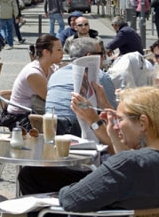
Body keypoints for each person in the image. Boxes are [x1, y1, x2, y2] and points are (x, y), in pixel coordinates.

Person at [18, 86, 159, 213]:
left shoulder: (130, 162)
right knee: (32, 174)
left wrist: (71, 189)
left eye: (120, 119)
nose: (116, 125)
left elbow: (71, 200)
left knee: (33, 178)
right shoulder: (140, 162)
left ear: (142, 123)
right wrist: (113, 136)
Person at [44, 36, 116, 135]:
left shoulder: (56, 75)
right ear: (90, 57)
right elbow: (113, 114)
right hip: (81, 133)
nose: (104, 58)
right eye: (101, 54)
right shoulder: (101, 77)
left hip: (50, 129)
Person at [2, 34, 63, 130]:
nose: (63, 53)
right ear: (46, 52)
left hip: (36, 113)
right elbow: (50, 99)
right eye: (59, 50)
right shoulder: (34, 73)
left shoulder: (50, 67)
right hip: (21, 118)